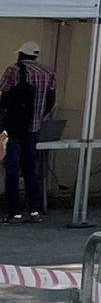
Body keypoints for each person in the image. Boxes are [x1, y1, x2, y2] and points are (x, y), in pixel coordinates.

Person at [1, 41, 58, 221]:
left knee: (12, 167)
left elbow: (3, 95)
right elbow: (51, 100)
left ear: (20, 55)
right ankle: (34, 211)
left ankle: (14, 212)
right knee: (30, 168)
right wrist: (38, 116)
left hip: (13, 128)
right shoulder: (48, 72)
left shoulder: (13, 70)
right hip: (33, 128)